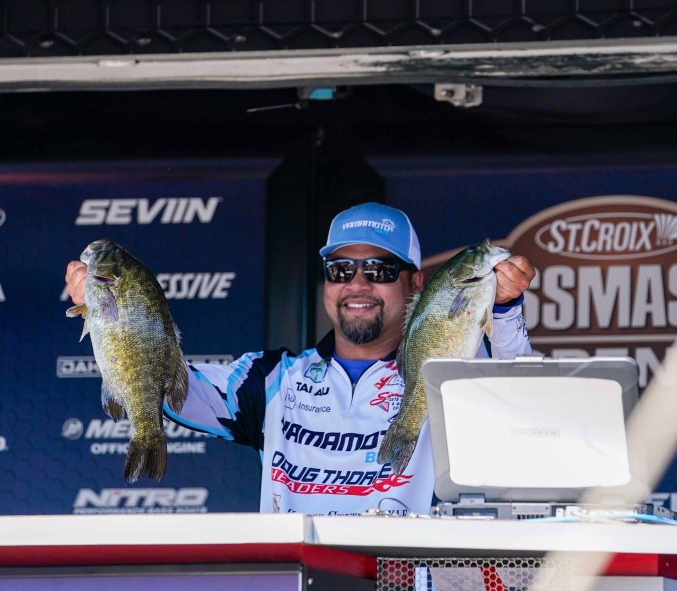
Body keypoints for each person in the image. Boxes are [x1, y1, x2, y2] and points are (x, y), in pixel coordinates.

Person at [65, 202, 535, 516]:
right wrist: (111, 311)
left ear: (414, 283)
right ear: (326, 282)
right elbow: (172, 391)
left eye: (379, 269)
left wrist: (504, 311)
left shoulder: (449, 373)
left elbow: (522, 403)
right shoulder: (273, 377)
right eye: (341, 269)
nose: (358, 284)